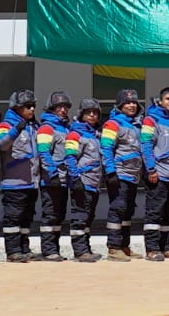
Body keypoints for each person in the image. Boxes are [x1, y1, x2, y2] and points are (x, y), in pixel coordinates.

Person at [140, 87, 169, 261]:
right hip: (158, 174)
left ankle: (165, 246)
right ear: (160, 101)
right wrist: (151, 169)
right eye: (167, 99)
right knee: (154, 212)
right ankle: (151, 249)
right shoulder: (151, 120)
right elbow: (146, 146)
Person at [0, 90, 41, 262]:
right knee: (13, 218)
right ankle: (13, 251)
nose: (32, 109)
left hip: (31, 182)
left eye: (33, 106)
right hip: (14, 182)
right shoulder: (5, 125)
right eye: (27, 106)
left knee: (26, 218)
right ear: (16, 108)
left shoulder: (33, 126)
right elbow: (1, 145)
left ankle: (24, 248)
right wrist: (15, 130)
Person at [100, 90, 143, 262]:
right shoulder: (112, 124)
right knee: (117, 209)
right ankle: (113, 248)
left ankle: (124, 246)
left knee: (128, 211)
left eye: (134, 103)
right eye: (127, 103)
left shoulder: (136, 125)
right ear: (120, 105)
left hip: (133, 176)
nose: (132, 105)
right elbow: (106, 148)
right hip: (119, 174)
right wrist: (111, 172)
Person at [64, 98, 105, 262]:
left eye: (95, 113)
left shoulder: (95, 134)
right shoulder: (75, 134)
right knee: (80, 217)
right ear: (81, 114)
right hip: (83, 182)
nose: (92, 115)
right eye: (88, 112)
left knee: (88, 218)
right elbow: (70, 157)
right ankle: (80, 251)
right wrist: (76, 178)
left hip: (94, 184)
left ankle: (86, 248)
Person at [36, 92, 73, 262]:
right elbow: (44, 153)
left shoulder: (66, 128)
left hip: (64, 180)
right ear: (51, 109)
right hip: (51, 180)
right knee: (50, 215)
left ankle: (54, 249)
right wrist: (53, 174)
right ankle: (48, 250)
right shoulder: (46, 128)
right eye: (59, 107)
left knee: (59, 215)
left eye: (65, 107)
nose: (63, 110)